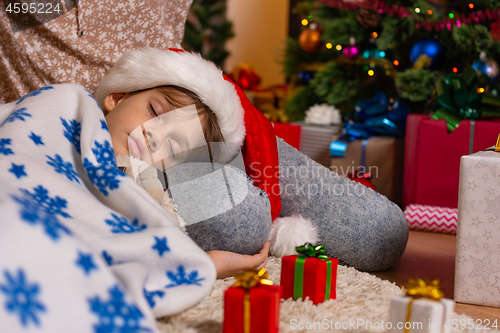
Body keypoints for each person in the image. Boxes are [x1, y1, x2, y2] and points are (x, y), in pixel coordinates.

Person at [94, 47, 409, 274]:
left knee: (382, 233)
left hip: (219, 109)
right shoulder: (70, 117)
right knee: (239, 226)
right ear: (116, 98)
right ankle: (198, 157)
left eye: (171, 142)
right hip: (194, 154)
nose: (153, 136)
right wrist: (202, 267)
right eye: (155, 114)